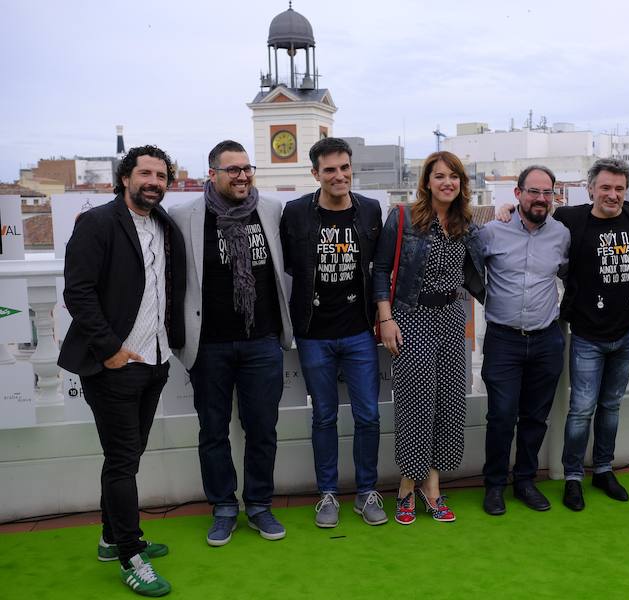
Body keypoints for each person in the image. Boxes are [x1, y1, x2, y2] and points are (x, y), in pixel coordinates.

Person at [59, 145, 185, 596]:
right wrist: (110, 349)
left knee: (126, 458)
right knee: (121, 462)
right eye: (145, 173)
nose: (154, 181)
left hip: (155, 360)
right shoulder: (96, 224)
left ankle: (112, 538)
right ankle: (131, 554)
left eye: (161, 175)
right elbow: (78, 293)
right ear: (126, 177)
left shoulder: (163, 225)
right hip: (113, 365)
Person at [170, 140, 292, 545]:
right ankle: (223, 507)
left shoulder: (270, 210)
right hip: (209, 346)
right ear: (213, 174)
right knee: (213, 431)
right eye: (233, 170)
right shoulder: (184, 215)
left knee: (263, 429)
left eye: (247, 168)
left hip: (262, 342)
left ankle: (259, 505)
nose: (242, 176)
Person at [373, 150, 485, 524]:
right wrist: (386, 319)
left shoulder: (466, 223)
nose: (447, 183)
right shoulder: (403, 217)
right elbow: (382, 270)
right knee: (415, 403)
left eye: (453, 176)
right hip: (412, 317)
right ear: (427, 182)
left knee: (450, 401)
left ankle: (430, 485)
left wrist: (505, 214)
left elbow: (484, 263)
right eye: (439, 176)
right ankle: (410, 484)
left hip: (454, 317)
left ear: (462, 183)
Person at [280, 137, 386, 528]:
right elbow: (289, 265)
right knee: (323, 416)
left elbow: (380, 265)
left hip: (359, 330)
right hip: (313, 333)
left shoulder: (370, 209)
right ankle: (327, 494)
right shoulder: (294, 213)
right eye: (329, 170)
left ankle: (366, 492)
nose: (339, 175)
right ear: (315, 174)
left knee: (369, 416)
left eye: (344, 167)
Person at [554, 158, 629, 510]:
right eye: (605, 187)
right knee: (581, 410)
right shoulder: (570, 219)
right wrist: (504, 209)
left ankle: (604, 469)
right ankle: (573, 476)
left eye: (619, 188)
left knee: (611, 406)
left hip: (627, 333)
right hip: (587, 335)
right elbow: (529, 221)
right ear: (590, 188)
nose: (612, 194)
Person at [480, 165, 570, 516]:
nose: (541, 199)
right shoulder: (493, 230)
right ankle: (494, 485)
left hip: (546, 339)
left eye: (547, 193)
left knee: (536, 416)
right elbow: (467, 258)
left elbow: (567, 271)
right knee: (501, 416)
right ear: (517, 194)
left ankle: (525, 481)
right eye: (533, 191)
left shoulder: (561, 234)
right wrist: (494, 210)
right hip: (504, 340)